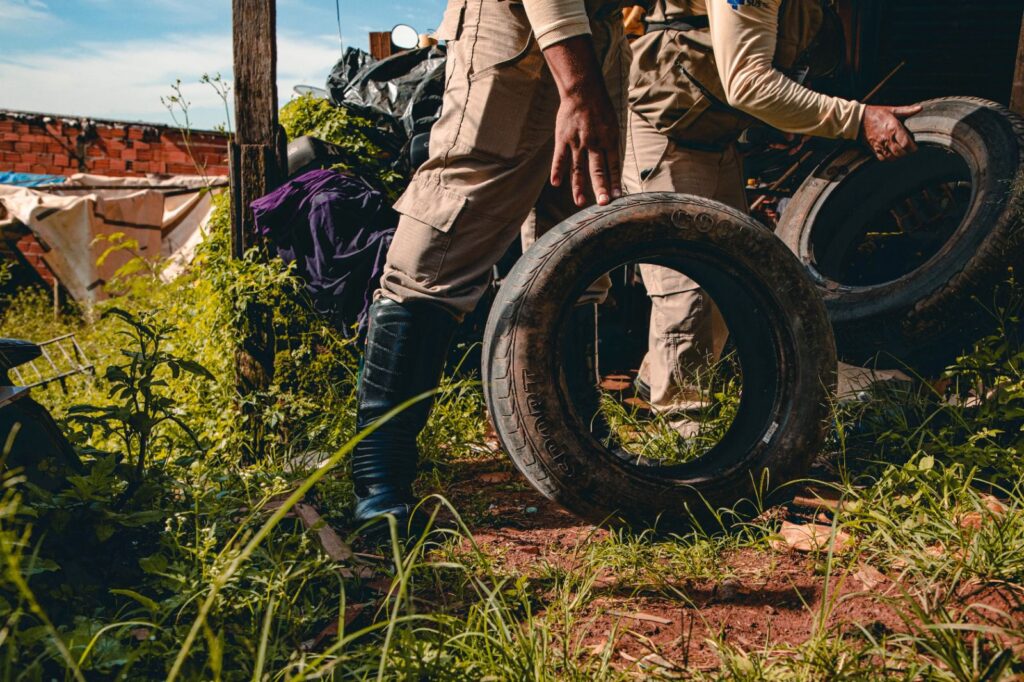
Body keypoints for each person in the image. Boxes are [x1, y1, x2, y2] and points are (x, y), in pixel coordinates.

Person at [350, 0, 630, 527]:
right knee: (451, 223)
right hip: (524, 25)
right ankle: (379, 470)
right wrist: (577, 87)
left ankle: (579, 447)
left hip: (598, 29)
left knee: (577, 237)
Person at [622, 0, 920, 420]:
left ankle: (661, 373)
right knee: (685, 285)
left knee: (734, 271)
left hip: (716, 130)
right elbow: (747, 82)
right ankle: (685, 431)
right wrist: (856, 119)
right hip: (665, 128)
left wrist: (789, 120)